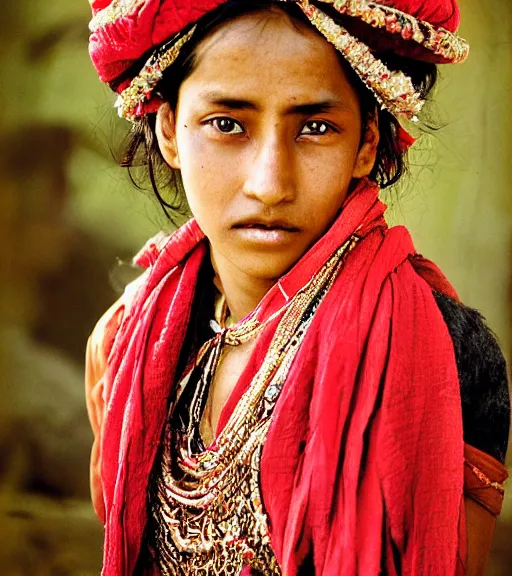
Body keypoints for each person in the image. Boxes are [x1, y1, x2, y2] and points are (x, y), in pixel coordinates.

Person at [85, 0, 510, 574]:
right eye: (227, 124)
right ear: (169, 130)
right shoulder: (126, 344)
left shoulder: (436, 351)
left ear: (366, 144)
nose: (269, 184)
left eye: (314, 128)